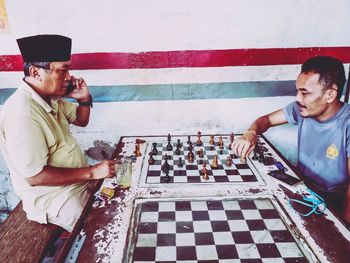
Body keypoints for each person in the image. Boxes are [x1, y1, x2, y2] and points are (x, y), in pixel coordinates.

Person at [0, 34, 116, 232]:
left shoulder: (49, 98)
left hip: (78, 183)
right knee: (102, 232)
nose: (69, 77)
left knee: (120, 205)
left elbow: (81, 120)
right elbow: (35, 176)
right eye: (63, 70)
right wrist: (92, 172)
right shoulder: (23, 114)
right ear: (36, 72)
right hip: (55, 198)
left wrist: (84, 99)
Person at [232, 56, 350, 224]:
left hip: (334, 203)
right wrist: (251, 132)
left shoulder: (347, 123)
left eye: (305, 92)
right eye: (298, 91)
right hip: (300, 188)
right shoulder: (302, 109)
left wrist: (344, 228)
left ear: (330, 94)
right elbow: (266, 120)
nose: (298, 99)